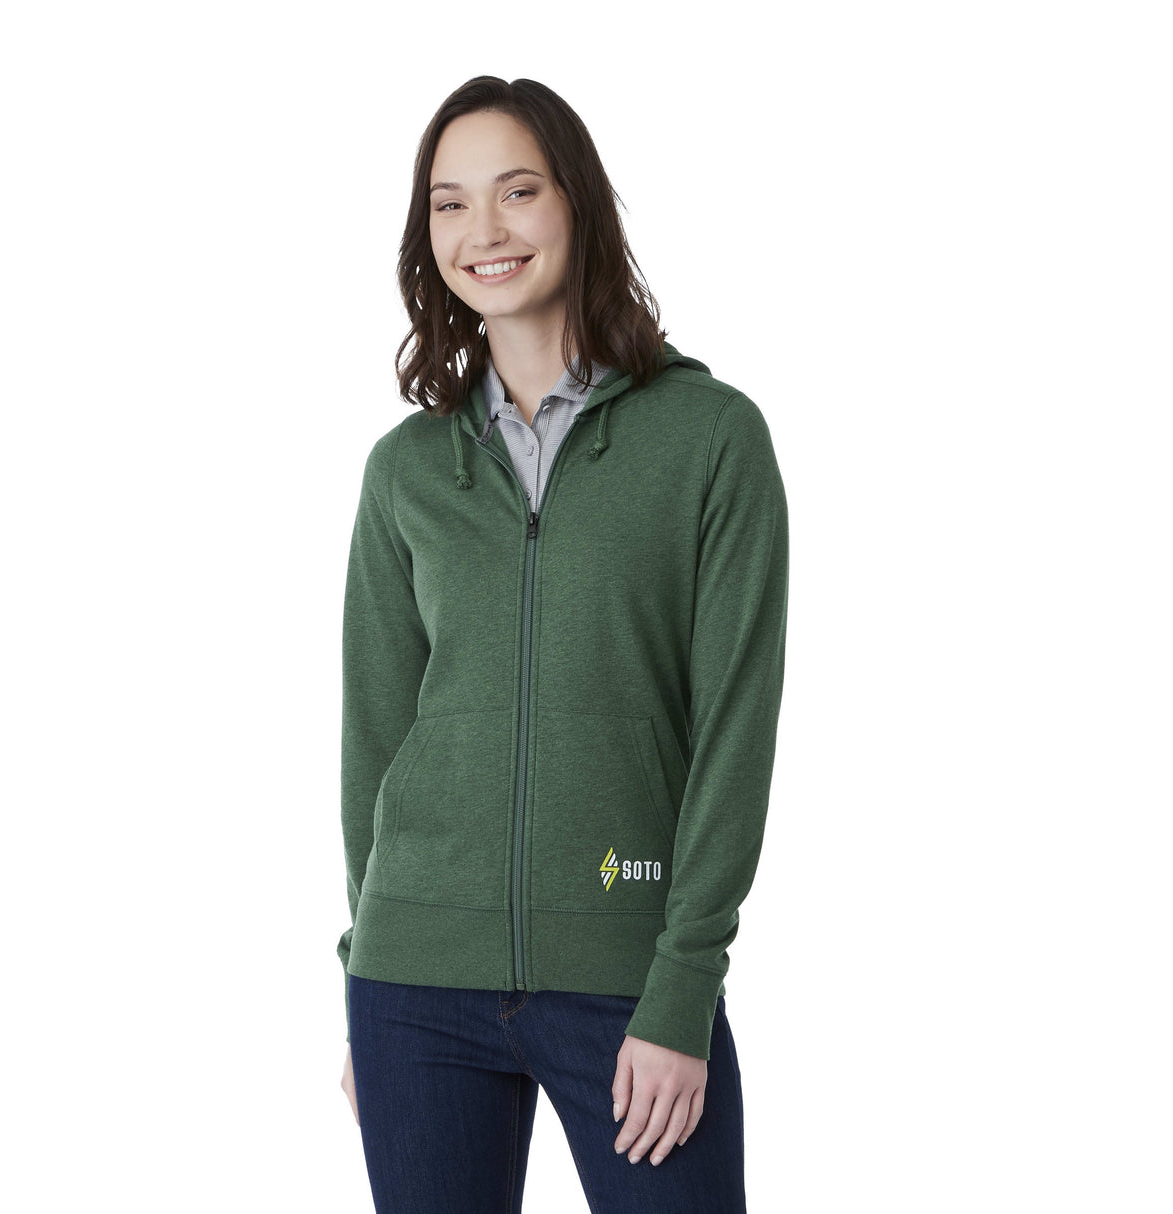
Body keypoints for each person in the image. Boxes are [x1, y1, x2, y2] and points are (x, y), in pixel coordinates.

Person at [336, 75, 789, 1214]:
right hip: (413, 987)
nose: (482, 231)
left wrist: (681, 987)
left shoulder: (709, 438)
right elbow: (374, 737)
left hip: (628, 973)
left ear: (577, 202)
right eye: (449, 204)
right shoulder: (405, 472)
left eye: (517, 191)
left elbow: (733, 731)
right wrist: (363, 973)